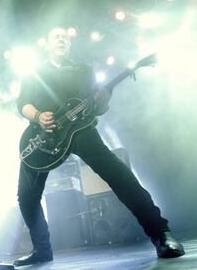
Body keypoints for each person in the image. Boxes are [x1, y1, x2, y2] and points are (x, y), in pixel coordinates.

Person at [14, 27, 185, 267]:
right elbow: (22, 103)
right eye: (56, 37)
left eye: (65, 37)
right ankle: (42, 250)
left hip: (82, 132)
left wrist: (104, 101)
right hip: (41, 138)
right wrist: (38, 116)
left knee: (121, 177)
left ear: (69, 44)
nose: (62, 39)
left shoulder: (83, 70)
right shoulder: (36, 72)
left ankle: (161, 234)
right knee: (26, 195)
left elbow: (98, 107)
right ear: (47, 44)